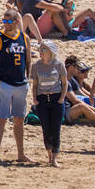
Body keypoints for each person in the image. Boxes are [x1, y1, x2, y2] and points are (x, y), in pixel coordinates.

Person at [0, 7, 31, 164]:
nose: (6, 24)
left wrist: (28, 79)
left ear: (17, 22)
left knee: (19, 120)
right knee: (1, 119)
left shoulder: (24, 38)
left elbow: (28, 61)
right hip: (4, 84)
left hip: (21, 84)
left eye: (9, 21)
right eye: (4, 21)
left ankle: (21, 154)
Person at [30, 39, 67, 167]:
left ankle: (55, 158)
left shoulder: (59, 65)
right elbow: (35, 85)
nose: (41, 52)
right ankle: (49, 155)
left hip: (56, 98)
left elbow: (64, 83)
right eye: (40, 49)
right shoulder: (36, 66)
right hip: (42, 99)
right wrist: (34, 99)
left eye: (43, 49)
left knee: (56, 129)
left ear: (50, 51)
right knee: (46, 128)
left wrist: (62, 98)